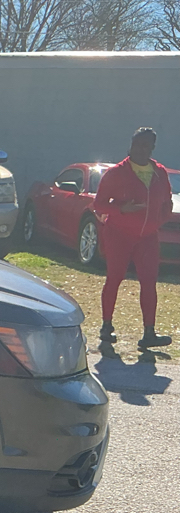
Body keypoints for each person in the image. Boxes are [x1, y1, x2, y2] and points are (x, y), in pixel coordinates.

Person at [93, 127, 174, 350]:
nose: (140, 149)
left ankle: (149, 333)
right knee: (115, 277)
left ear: (152, 148)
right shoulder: (116, 173)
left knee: (149, 282)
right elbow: (99, 204)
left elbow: (167, 202)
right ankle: (106, 326)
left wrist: (158, 221)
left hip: (148, 236)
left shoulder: (160, 172)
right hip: (119, 234)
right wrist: (121, 209)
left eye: (145, 146)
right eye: (136, 144)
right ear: (130, 145)